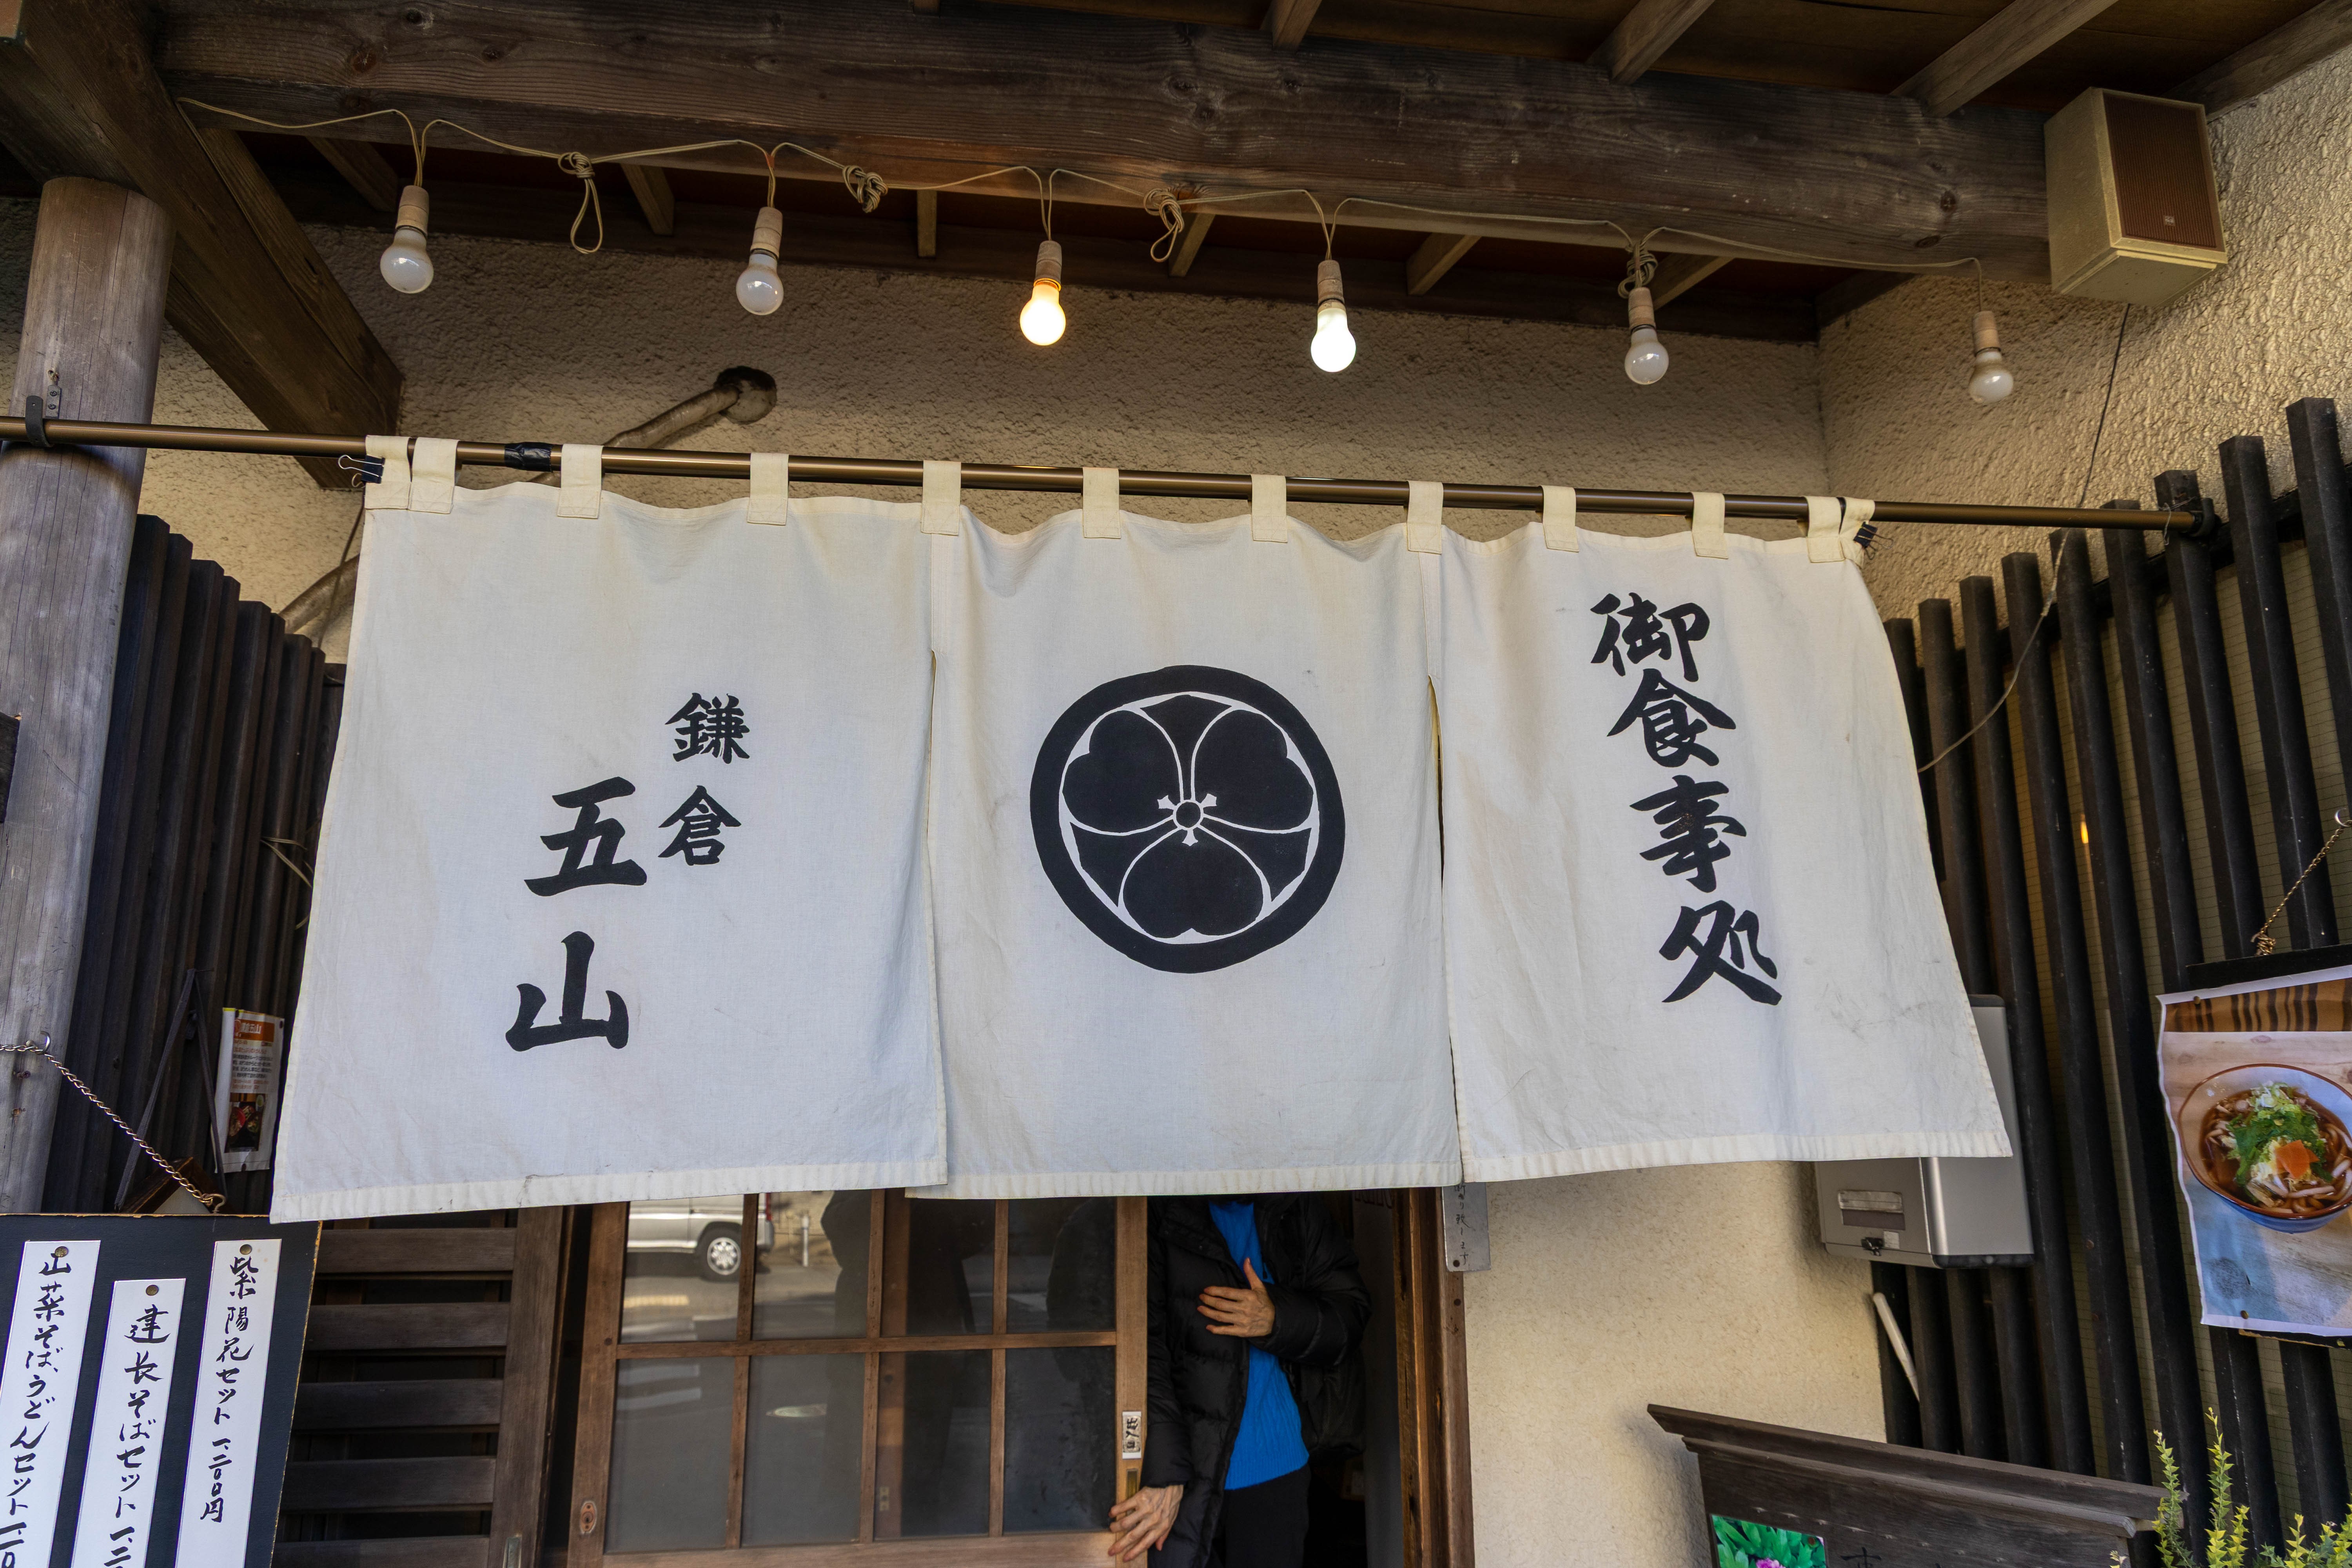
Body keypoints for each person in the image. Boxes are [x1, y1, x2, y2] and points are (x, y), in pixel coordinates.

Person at [1108, 1194, 1368, 1568]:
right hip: (1178, 1475)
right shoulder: (1155, 1205)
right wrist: (1163, 1471)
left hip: (1276, 1465)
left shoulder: (1294, 1205)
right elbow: (1138, 1346)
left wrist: (1278, 1318)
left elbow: (1350, 1315)